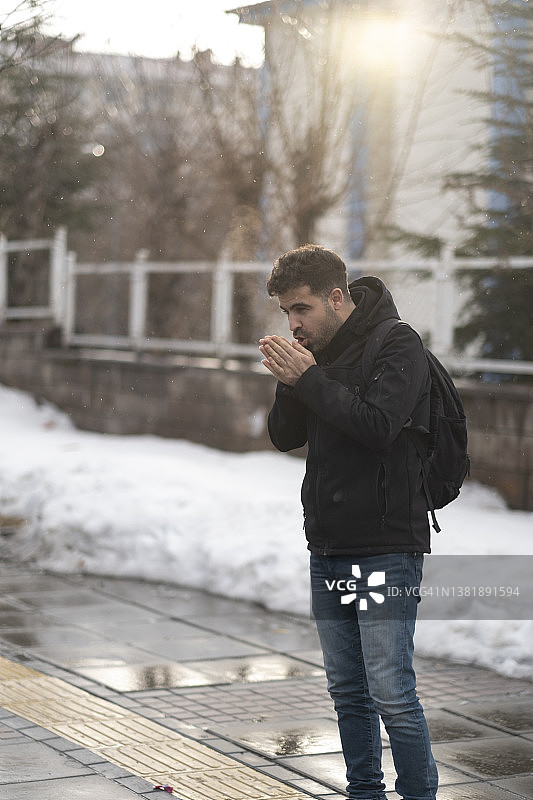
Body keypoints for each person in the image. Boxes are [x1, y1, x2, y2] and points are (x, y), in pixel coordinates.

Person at [259, 244, 438, 800]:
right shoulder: (312, 353)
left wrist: (309, 379)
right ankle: (364, 791)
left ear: (336, 298)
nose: (294, 323)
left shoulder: (397, 344)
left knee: (390, 690)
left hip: (386, 545)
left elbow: (380, 425)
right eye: (286, 312)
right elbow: (285, 436)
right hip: (330, 544)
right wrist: (291, 381)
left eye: (302, 309)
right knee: (347, 690)